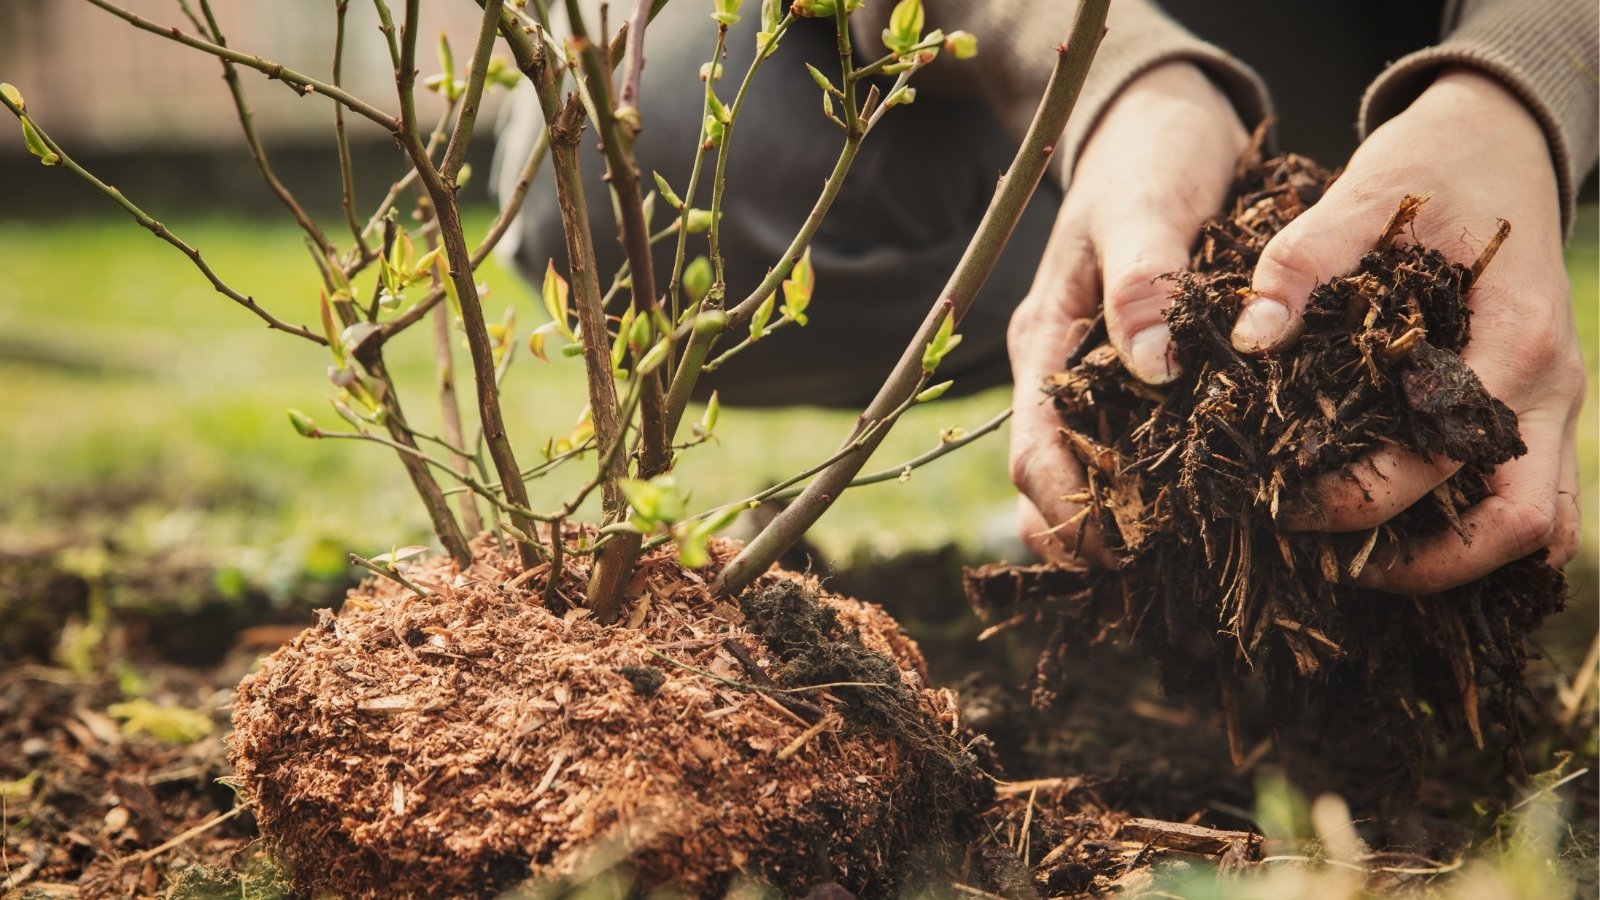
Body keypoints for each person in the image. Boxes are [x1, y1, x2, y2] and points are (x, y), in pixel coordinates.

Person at [495, 0, 1597, 591]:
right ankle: (1152, 284)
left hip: (1439, 26)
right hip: (1107, 35)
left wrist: (1524, 87)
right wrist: (1107, 76)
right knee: (606, 162)